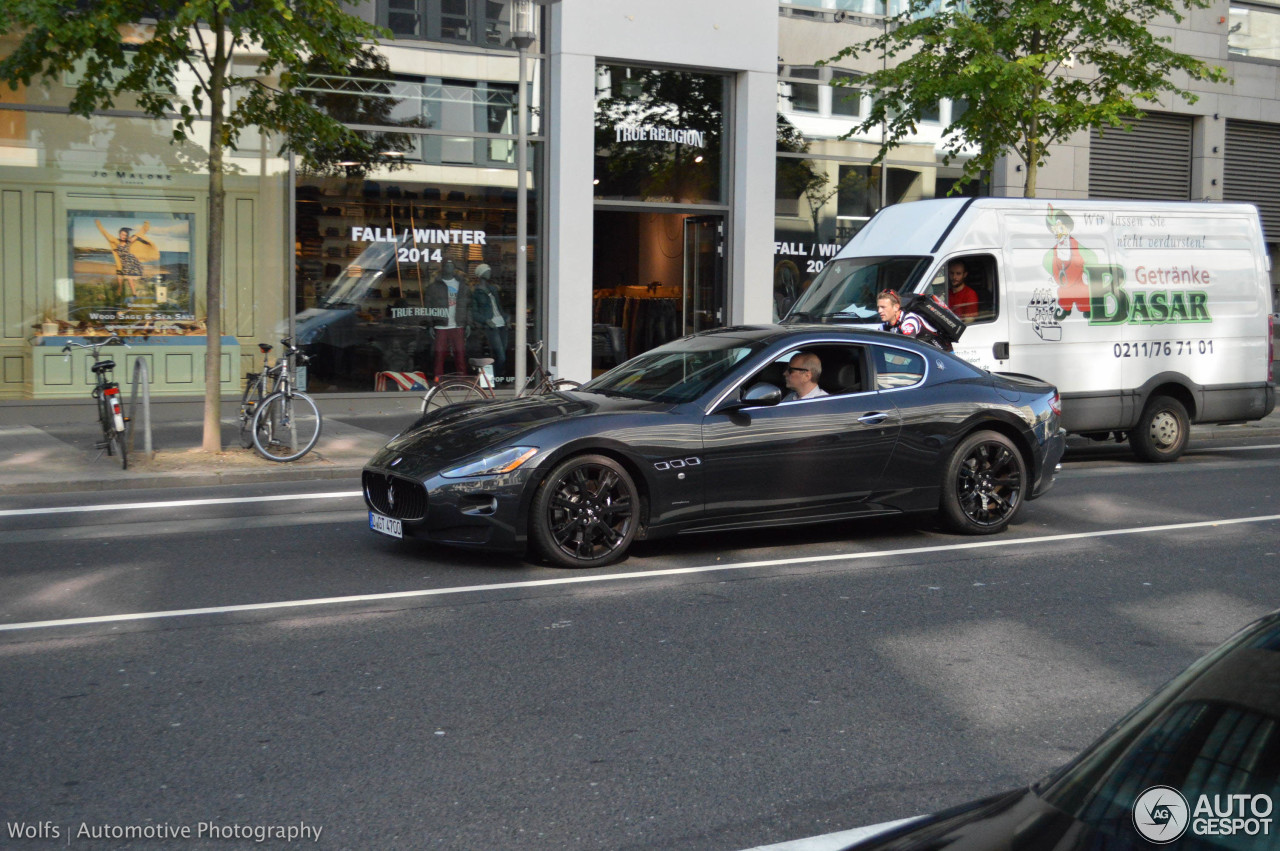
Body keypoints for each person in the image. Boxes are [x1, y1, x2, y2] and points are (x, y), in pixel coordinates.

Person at [425, 259, 471, 378]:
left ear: (454, 268)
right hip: (441, 325)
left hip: (458, 324)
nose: (448, 268)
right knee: (439, 356)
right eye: (446, 265)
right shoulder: (433, 287)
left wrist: (469, 324)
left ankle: (462, 381)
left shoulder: (462, 286)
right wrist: (430, 324)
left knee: (460, 355)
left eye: (451, 266)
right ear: (443, 268)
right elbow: (428, 306)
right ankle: (437, 382)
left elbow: (468, 306)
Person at [95, 219, 153, 299]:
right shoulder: (116, 241)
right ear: (119, 234)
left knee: (130, 279)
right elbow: (106, 234)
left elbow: (139, 234)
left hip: (129, 263)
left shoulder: (129, 241)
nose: (123, 236)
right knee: (119, 280)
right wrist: (99, 225)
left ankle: (134, 294)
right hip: (120, 264)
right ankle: (119, 293)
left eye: (125, 235)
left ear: (127, 236)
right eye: (122, 234)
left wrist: (146, 225)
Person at [469, 263, 508, 379]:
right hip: (492, 327)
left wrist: (506, 318)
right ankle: (495, 377)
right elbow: (474, 313)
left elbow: (499, 307)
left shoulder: (493, 289)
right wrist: (486, 321)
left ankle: (494, 379)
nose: (489, 272)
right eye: (487, 271)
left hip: (502, 325)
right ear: (481, 274)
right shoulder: (476, 292)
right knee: (501, 356)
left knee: (500, 355)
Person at [877, 290, 944, 347]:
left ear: (896, 307)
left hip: (939, 355)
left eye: (883, 307)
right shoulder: (885, 326)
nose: (879, 311)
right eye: (878, 307)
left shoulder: (909, 321)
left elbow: (906, 349)